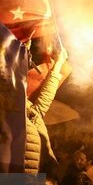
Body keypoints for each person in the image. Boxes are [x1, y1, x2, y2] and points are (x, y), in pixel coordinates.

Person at [25, 48, 69, 176]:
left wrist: (59, 64)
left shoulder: (32, 114)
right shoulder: (5, 117)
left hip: (43, 180)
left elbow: (46, 96)